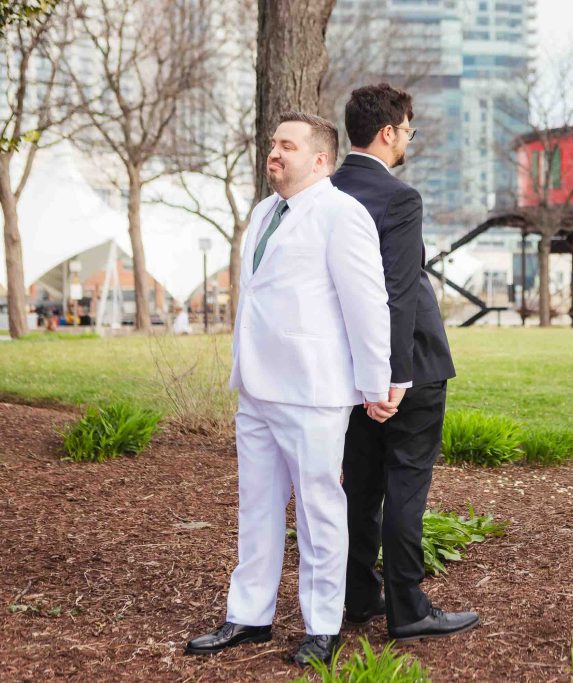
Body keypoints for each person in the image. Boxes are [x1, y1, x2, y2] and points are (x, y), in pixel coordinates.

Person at [185, 111, 394, 665]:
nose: (273, 153)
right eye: (272, 144)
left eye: (287, 146)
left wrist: (375, 383)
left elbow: (366, 304)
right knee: (256, 508)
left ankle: (322, 626)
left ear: (320, 160)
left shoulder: (341, 214)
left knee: (318, 511)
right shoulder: (262, 211)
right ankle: (248, 617)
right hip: (255, 387)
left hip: (313, 390)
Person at [331, 83, 476, 642]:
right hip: (407, 366)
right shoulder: (399, 197)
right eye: (408, 130)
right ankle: (409, 607)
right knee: (407, 483)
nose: (408, 140)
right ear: (388, 132)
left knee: (361, 485)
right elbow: (396, 291)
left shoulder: (325, 194)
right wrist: (392, 377)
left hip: (348, 370)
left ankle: (359, 595)